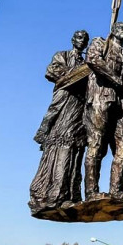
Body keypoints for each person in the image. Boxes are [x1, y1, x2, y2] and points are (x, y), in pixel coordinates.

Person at [29, 30, 90, 213]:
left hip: (80, 107)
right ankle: (52, 195)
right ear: (73, 40)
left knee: (75, 150)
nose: (83, 41)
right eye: (79, 37)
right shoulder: (61, 55)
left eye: (85, 39)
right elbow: (54, 73)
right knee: (61, 146)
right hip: (64, 104)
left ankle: (71, 195)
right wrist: (81, 72)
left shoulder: (88, 61)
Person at [84, 22, 123, 200]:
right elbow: (93, 61)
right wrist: (118, 81)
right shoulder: (100, 44)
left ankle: (116, 191)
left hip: (122, 106)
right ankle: (91, 192)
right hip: (101, 98)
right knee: (96, 144)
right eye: (122, 28)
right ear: (114, 30)